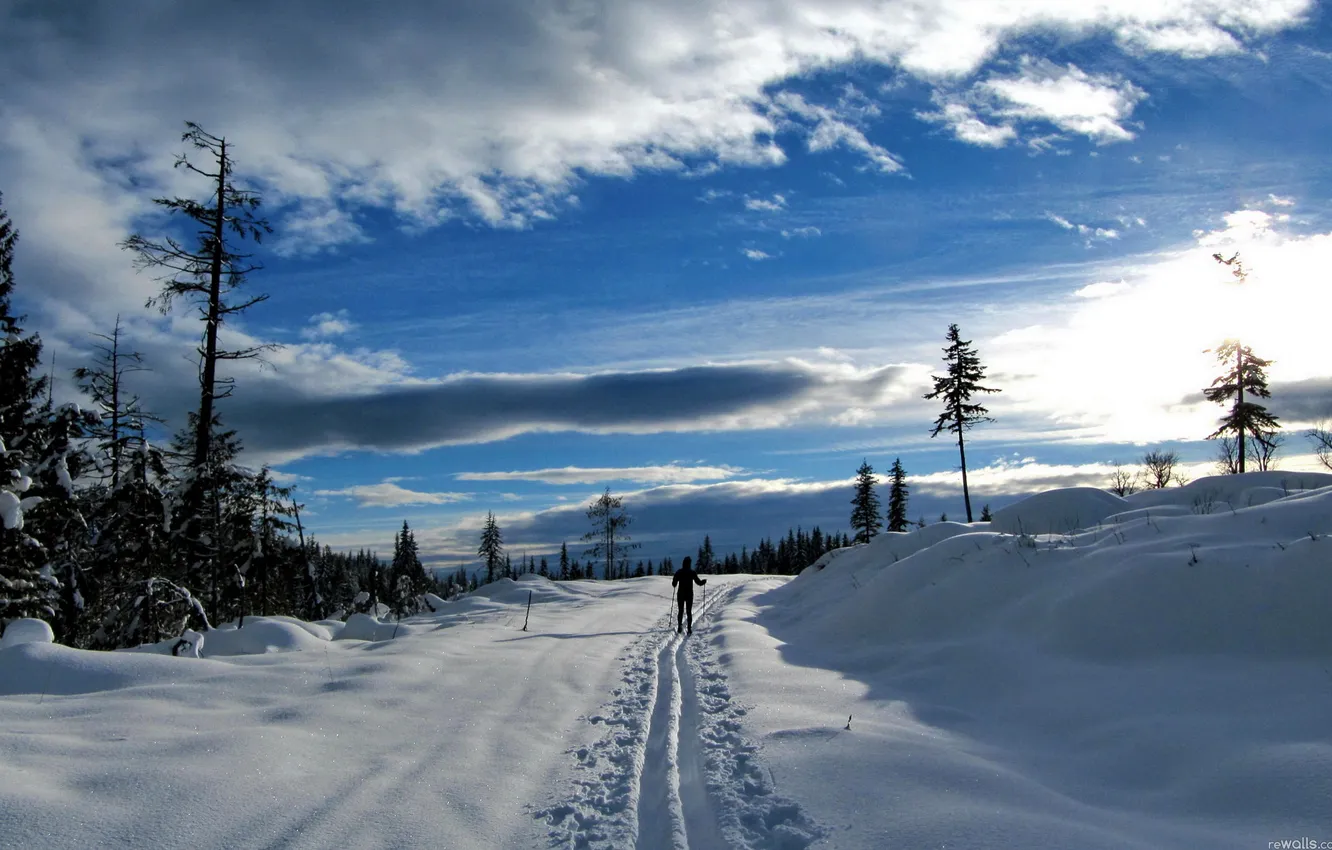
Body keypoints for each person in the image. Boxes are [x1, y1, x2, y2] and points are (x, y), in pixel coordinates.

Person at [671, 555, 707, 635]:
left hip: (680, 594)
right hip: (689, 594)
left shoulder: (679, 572)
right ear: (689, 563)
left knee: (680, 610)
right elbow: (698, 582)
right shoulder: (692, 572)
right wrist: (703, 582)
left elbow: (674, 584)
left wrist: (674, 583)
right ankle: (689, 629)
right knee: (688, 611)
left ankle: (679, 626)